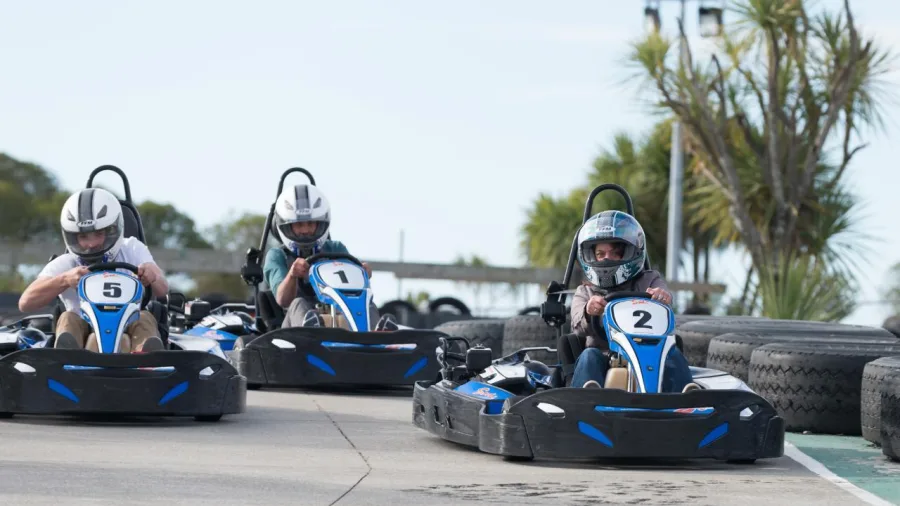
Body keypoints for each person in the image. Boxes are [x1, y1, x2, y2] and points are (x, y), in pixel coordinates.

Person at [17, 188, 168, 352]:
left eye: (98, 234)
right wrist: (64, 280)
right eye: (83, 237)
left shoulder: (132, 249)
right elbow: (25, 303)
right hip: (82, 330)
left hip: (128, 325)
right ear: (72, 237)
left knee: (145, 317)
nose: (91, 244)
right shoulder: (66, 264)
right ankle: (67, 357)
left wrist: (152, 276)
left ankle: (147, 358)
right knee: (68, 318)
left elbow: (163, 289)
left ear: (112, 230)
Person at [568, 210, 698, 393]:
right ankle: (587, 397)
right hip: (605, 359)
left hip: (650, 357)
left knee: (673, 354)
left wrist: (663, 298)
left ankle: (687, 399)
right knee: (589, 355)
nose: (606, 259)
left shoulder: (650, 281)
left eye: (615, 253)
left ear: (631, 252)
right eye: (600, 253)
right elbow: (577, 326)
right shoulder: (585, 291)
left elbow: (666, 301)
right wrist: (589, 312)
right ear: (590, 256)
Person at [262, 183, 398, 331]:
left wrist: (362, 274)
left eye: (311, 224)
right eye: (299, 225)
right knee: (297, 303)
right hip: (291, 330)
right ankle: (311, 330)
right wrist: (292, 275)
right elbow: (283, 300)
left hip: (336, 319)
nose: (306, 230)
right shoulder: (276, 256)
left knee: (366, 303)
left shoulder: (335, 248)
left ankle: (377, 336)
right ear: (286, 225)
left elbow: (352, 289)